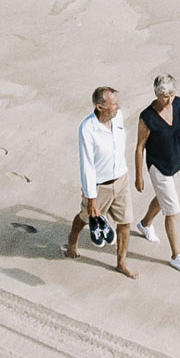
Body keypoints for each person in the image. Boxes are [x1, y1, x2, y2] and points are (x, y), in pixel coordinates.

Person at [66, 86, 137, 278]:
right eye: (113, 104)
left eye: (117, 102)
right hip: (99, 186)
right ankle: (73, 239)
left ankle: (121, 263)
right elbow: (87, 165)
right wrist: (91, 199)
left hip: (121, 180)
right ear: (99, 106)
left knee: (125, 222)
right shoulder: (87, 129)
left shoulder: (118, 117)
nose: (118, 107)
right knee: (84, 217)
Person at [132, 74, 180, 273]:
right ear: (156, 95)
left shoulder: (179, 105)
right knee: (173, 210)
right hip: (159, 167)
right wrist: (139, 176)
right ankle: (176, 256)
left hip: (177, 163)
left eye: (170, 95)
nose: (167, 100)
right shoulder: (147, 117)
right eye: (163, 97)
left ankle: (144, 224)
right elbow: (140, 147)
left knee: (163, 199)